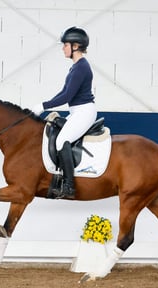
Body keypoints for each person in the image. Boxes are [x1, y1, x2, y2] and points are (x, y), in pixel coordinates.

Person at [31, 26, 96, 199]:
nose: (63, 48)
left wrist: (43, 106)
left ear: (75, 46)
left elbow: (67, 96)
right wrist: (44, 104)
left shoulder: (81, 67)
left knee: (61, 141)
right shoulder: (77, 67)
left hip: (84, 112)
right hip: (77, 111)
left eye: (65, 45)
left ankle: (69, 186)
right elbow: (63, 92)